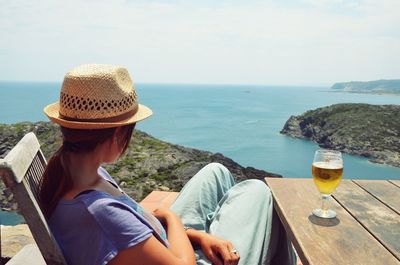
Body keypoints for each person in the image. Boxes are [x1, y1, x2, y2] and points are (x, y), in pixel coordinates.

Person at [40, 64, 297, 265]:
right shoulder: (99, 211)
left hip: (158, 246)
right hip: (176, 257)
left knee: (215, 171)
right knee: (257, 191)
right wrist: (173, 218)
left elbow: (130, 232)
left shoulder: (71, 170)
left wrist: (200, 236)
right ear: (118, 133)